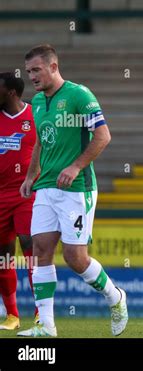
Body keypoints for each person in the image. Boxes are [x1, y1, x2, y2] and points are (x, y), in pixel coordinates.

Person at [17, 44, 128, 337]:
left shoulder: (79, 95)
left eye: (37, 70)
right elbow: (40, 141)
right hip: (46, 188)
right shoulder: (38, 102)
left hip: (77, 188)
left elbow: (103, 136)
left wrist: (77, 166)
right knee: (40, 251)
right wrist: (31, 176)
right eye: (29, 72)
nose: (32, 77)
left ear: (54, 67)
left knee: (75, 258)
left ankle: (115, 297)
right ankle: (46, 326)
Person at [0, 72, 37, 330]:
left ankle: (40, 310)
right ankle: (12, 315)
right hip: (0, 195)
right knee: (3, 256)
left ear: (11, 92)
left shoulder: (35, 115)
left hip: (26, 192)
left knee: (31, 246)